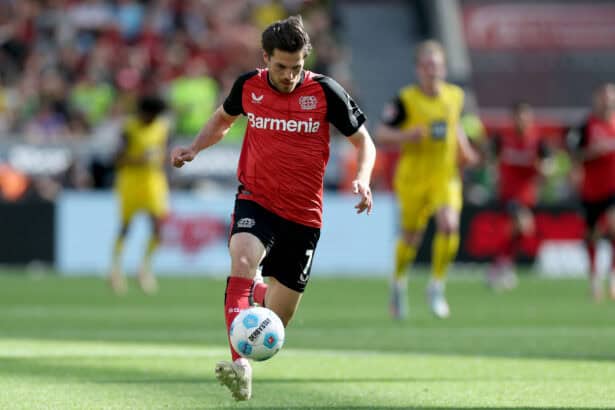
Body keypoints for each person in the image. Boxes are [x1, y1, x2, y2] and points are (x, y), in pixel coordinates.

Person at [170, 16, 375, 401]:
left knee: (275, 322)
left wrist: (363, 179)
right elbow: (223, 119)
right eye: (281, 66)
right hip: (257, 200)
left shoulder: (325, 91)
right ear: (266, 58)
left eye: (297, 67)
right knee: (242, 260)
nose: (289, 75)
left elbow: (364, 142)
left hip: (304, 215)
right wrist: (195, 148)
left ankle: (257, 294)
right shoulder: (249, 85)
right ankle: (240, 368)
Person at [375, 40, 478, 320]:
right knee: (411, 236)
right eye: (428, 66)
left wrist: (465, 150)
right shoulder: (405, 100)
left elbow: (454, 126)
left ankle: (436, 286)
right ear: (419, 69)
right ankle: (398, 283)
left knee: (449, 225)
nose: (433, 71)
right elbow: (381, 133)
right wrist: (408, 135)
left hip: (445, 175)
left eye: (438, 66)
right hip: (413, 177)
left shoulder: (455, 96)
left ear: (444, 68)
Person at [486, 102, 550, 291]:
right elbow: (490, 157)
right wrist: (494, 172)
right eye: (518, 117)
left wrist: (544, 170)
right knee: (523, 225)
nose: (522, 121)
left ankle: (500, 264)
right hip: (509, 193)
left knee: (519, 232)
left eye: (525, 117)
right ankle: (503, 266)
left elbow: (547, 165)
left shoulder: (538, 140)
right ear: (513, 118)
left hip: (528, 194)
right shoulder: (503, 138)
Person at [109, 95, 169, 295]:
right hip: (130, 183)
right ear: (143, 113)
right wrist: (139, 159)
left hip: (153, 182)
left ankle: (144, 268)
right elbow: (117, 159)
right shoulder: (129, 129)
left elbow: (164, 154)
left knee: (158, 228)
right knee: (126, 227)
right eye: (150, 116)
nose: (152, 120)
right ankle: (115, 270)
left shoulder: (162, 128)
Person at [568, 83, 615, 301]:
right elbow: (574, 155)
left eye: (611, 97)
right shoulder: (586, 126)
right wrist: (592, 152)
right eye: (604, 97)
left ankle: (613, 278)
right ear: (598, 99)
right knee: (591, 235)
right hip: (592, 190)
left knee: (614, 226)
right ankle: (594, 279)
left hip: (613, 188)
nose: (608, 101)